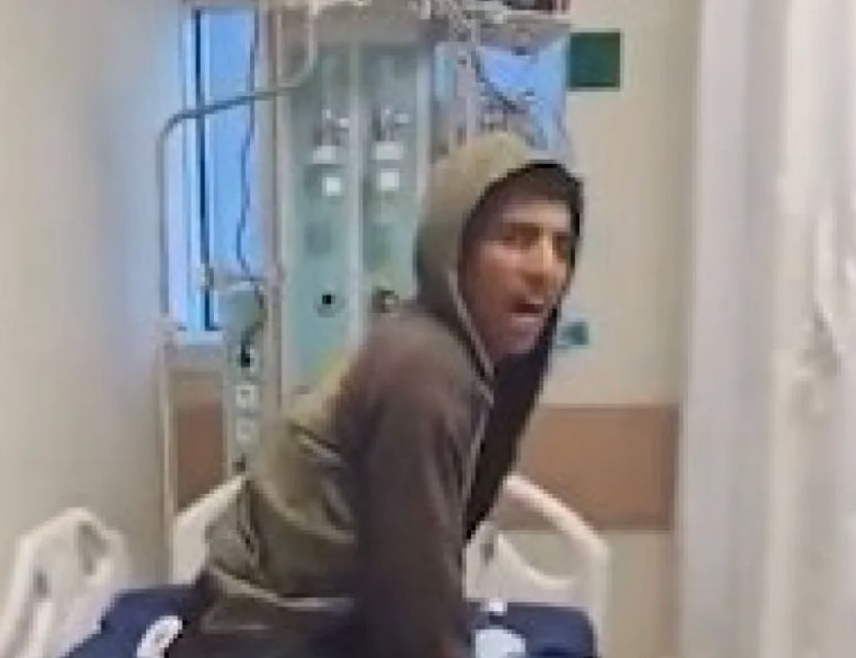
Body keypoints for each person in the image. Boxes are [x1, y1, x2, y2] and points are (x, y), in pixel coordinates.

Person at [169, 131, 584, 658]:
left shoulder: (434, 348)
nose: (546, 268)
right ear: (454, 253)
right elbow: (416, 600)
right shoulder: (426, 368)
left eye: (561, 246)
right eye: (516, 238)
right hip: (260, 638)